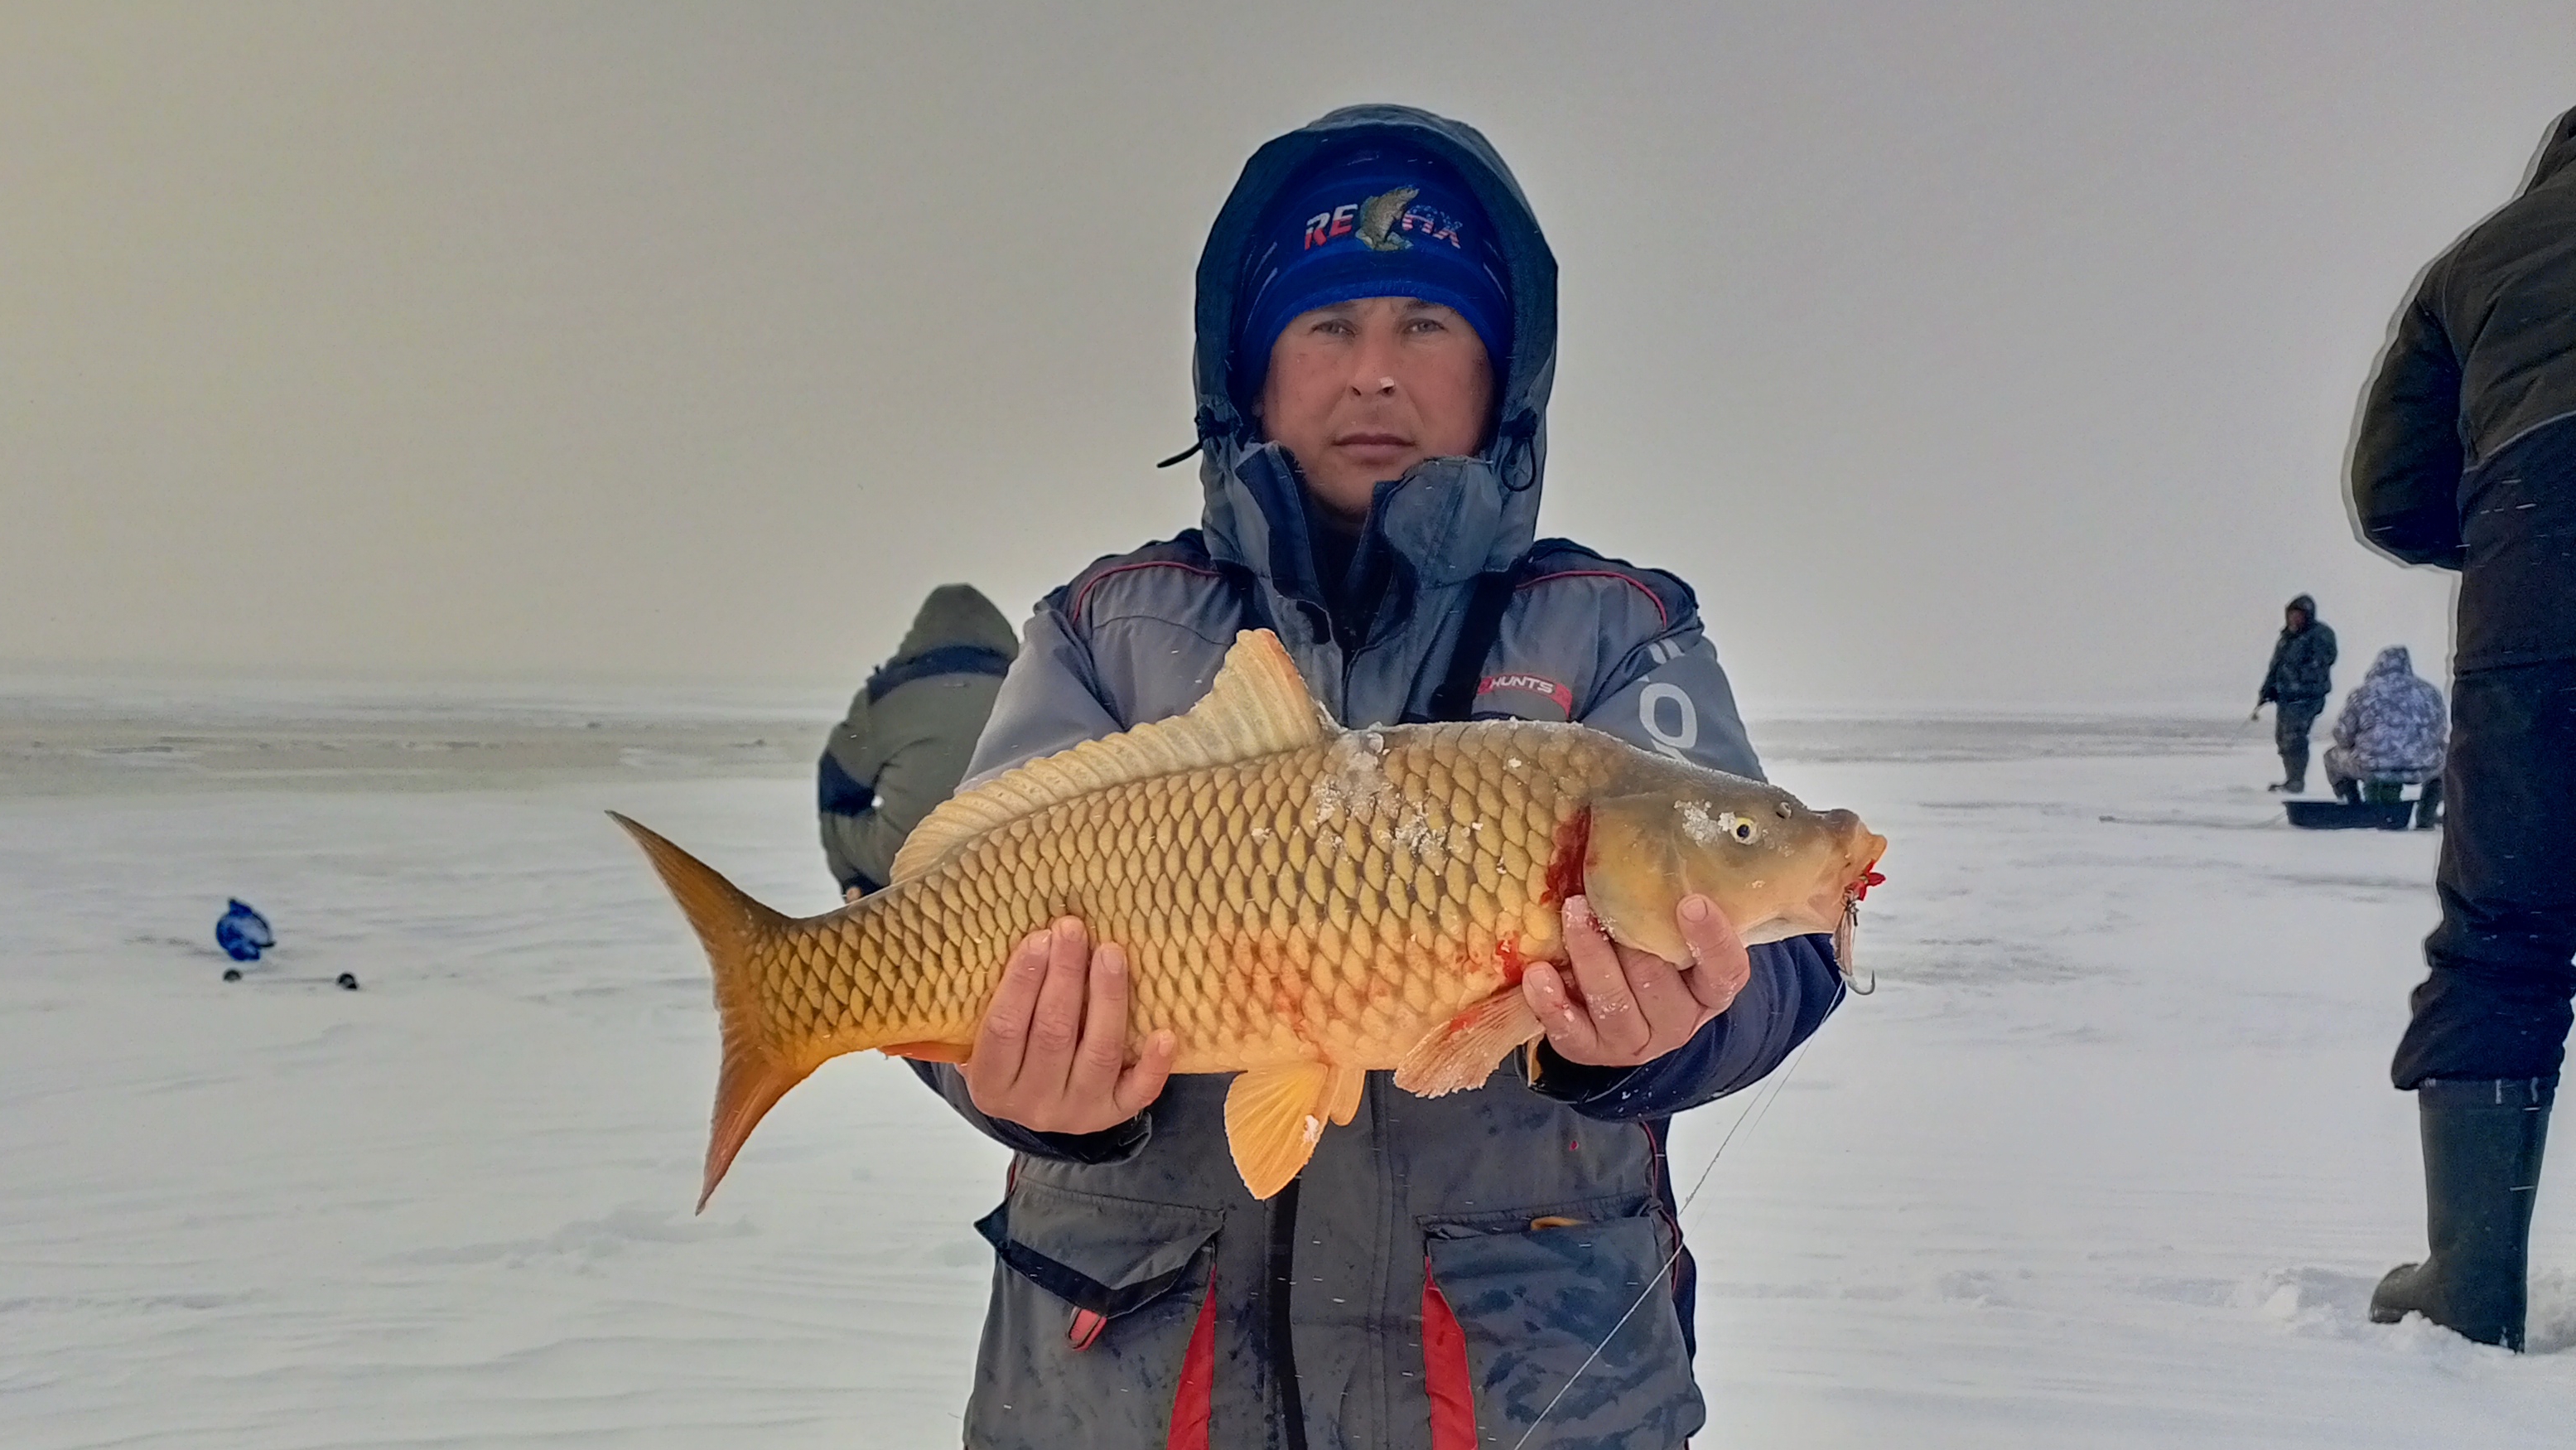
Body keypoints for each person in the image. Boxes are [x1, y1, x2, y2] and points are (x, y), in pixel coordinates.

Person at [911, 105, 1847, 1449]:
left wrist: (1678, 1026)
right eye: (1326, 325)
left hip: (1519, 1388)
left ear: (1501, 373)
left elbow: (1781, 943)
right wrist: (1018, 1090)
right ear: (1249, 369)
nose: (1373, 375)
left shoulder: (1613, 629)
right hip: (1130, 1386)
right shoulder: (1109, 629)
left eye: (1427, 325)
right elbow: (949, 935)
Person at [2350, 104, 2576, 1352]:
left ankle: (2470, 1280)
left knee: (2504, 930)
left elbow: (2390, 495)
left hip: (2539, 567)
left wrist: (2507, 532)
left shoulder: (2479, 260)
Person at [818, 584, 1017, 901]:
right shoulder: (1031, 688)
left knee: (837, 810)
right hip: (1010, 857)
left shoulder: (885, 696)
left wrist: (850, 874)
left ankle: (860, 893)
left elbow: (838, 783)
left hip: (902, 861)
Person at [2323, 645, 2446, 826]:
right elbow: (2439, 732)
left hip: (2371, 766)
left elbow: (2342, 735)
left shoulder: (2363, 693)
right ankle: (2426, 815)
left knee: (2331, 758)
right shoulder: (2429, 692)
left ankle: (2355, 806)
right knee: (2448, 762)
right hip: (2420, 766)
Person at [2252, 594, 2337, 792]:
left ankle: (2296, 781)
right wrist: (2267, 689)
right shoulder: (2286, 638)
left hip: (2307, 697)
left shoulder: (2320, 635)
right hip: (2286, 697)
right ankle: (2291, 777)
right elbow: (2276, 666)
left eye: (2299, 615)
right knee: (2283, 738)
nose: (2294, 619)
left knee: (2295, 736)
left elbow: (2324, 661)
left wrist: (2298, 678)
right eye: (2292, 615)